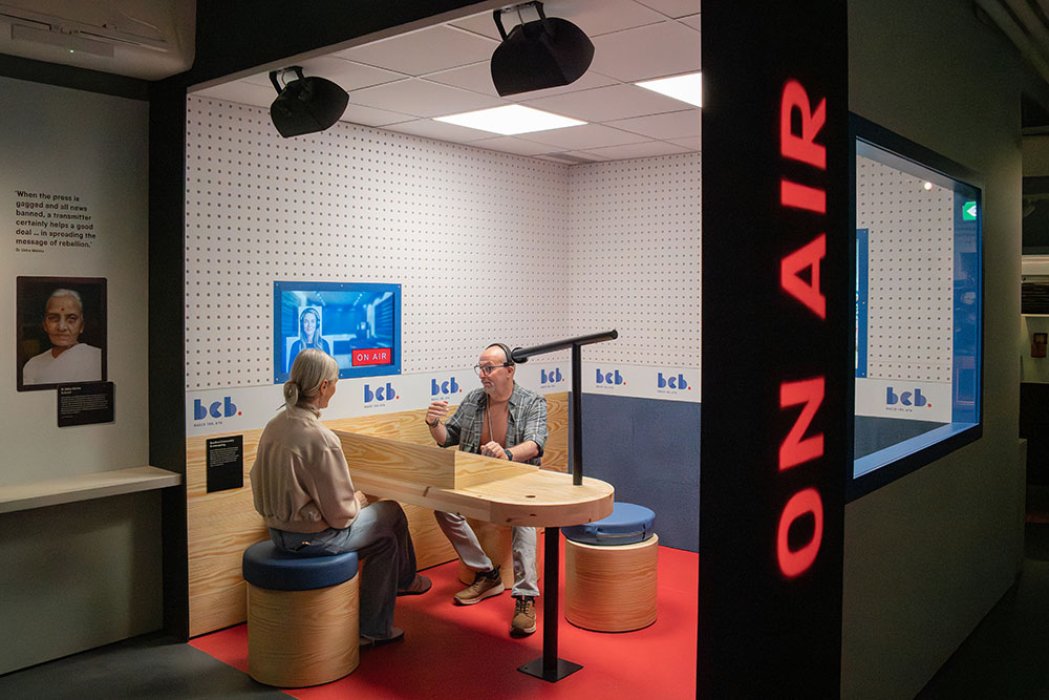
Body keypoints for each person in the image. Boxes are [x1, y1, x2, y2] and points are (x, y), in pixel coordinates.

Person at [250, 348, 430, 646]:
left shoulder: (275, 425)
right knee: (392, 516)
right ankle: (377, 624)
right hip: (312, 541)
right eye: (335, 381)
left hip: (278, 533)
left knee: (386, 525)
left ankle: (403, 583)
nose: (336, 387)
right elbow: (341, 516)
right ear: (323, 386)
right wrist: (360, 498)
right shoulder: (320, 438)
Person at [425, 342, 547, 637]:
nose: (483, 374)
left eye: (489, 368)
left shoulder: (533, 401)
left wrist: (507, 454)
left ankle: (525, 596)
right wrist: (433, 422)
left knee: (524, 517)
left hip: (518, 480)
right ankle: (486, 573)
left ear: (509, 370)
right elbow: (446, 438)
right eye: (480, 368)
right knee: (441, 504)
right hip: (476, 481)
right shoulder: (473, 400)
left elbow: (535, 444)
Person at [22, 288, 102, 385]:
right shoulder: (33, 365)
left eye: (71, 319)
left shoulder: (98, 358)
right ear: (45, 325)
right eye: (54, 318)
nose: (61, 327)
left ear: (81, 326)